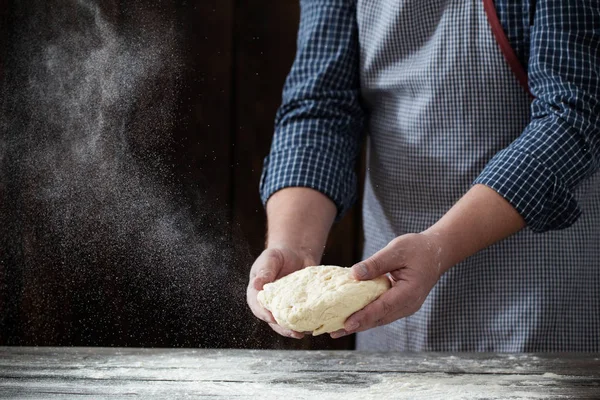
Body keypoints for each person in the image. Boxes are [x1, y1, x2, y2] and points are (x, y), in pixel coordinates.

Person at [247, 0, 600, 351]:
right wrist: (291, 244)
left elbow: (573, 116)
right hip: (387, 312)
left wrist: (438, 246)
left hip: (534, 306)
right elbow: (320, 109)